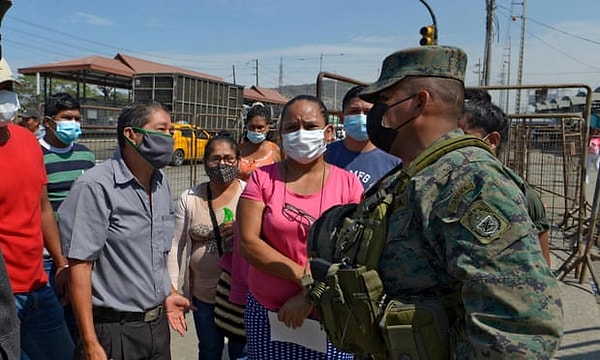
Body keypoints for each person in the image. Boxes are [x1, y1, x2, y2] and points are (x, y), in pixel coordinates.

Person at [357, 46, 563, 358]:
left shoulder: (470, 182)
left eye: (385, 102)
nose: (377, 114)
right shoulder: (418, 173)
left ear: (418, 102)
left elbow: (519, 327)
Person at [58, 100, 191, 360]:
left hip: (157, 328)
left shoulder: (161, 183)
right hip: (113, 332)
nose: (170, 138)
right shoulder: (95, 187)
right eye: (162, 130)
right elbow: (80, 268)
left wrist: (167, 294)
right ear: (131, 135)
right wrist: (90, 342)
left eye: (171, 131)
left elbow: (155, 254)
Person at [237, 95, 363, 359]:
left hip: (330, 313)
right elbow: (248, 243)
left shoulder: (349, 185)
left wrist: (309, 298)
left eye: (309, 126)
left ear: (328, 133)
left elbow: (354, 254)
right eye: (291, 128)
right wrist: (304, 278)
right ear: (280, 135)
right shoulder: (262, 179)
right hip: (268, 312)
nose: (300, 134)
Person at [0, 58, 74, 359]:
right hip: (3, 296)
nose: (5, 97)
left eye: (7, 88)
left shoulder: (28, 141)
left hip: (37, 285)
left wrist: (60, 262)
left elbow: (43, 208)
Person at [167, 135, 247, 360]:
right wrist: (173, 290)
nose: (222, 164)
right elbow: (176, 245)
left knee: (241, 353)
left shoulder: (250, 194)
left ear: (238, 161)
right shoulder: (190, 197)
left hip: (240, 295)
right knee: (209, 350)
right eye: (215, 159)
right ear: (205, 162)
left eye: (229, 158)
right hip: (203, 296)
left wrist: (241, 230)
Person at [459, 90, 552, 266]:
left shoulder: (522, 195)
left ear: (492, 141)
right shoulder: (441, 187)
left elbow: (542, 266)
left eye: (461, 136)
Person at [40, 92, 96, 343]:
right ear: (48, 122)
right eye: (66, 118)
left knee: (80, 326)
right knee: (52, 328)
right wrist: (58, 259)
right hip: (47, 260)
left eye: (76, 118)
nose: (73, 124)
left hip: (80, 255)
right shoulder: (35, 155)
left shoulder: (86, 155)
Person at [325, 85, 401, 190]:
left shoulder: (394, 162)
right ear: (341, 117)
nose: (361, 117)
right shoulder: (324, 155)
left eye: (368, 112)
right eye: (354, 111)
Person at [238, 104, 281, 181]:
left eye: (260, 127)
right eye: (252, 127)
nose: (256, 131)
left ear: (267, 127)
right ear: (246, 126)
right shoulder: (238, 150)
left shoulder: (275, 151)